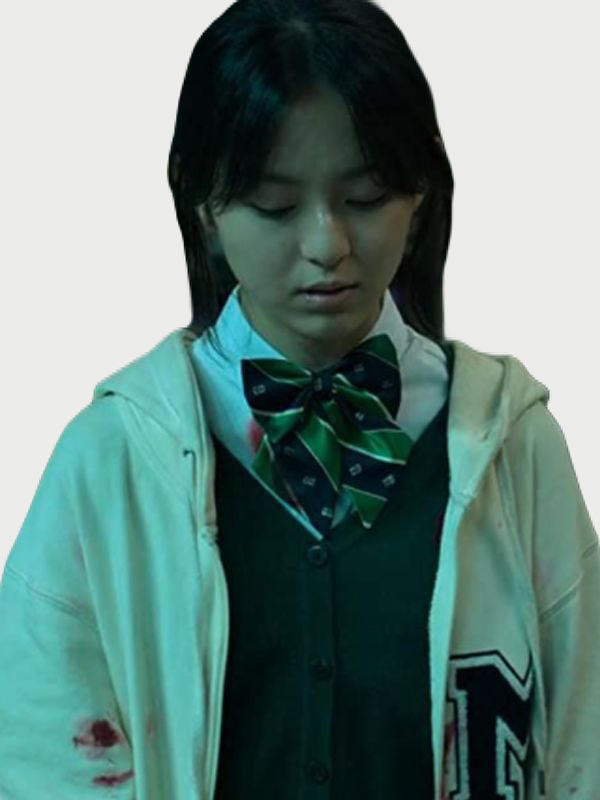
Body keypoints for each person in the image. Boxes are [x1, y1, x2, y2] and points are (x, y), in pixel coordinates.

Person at [0, 0, 598, 797]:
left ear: (420, 198)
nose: (326, 244)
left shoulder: (510, 446)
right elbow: (38, 754)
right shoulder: (114, 458)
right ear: (203, 211)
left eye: (366, 197)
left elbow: (585, 741)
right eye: (275, 207)